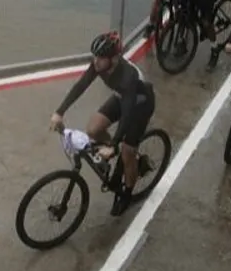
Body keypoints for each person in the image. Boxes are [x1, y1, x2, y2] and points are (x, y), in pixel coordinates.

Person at [49, 31, 156, 217]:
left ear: (114, 59)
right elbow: (81, 86)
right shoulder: (98, 66)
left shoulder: (128, 77)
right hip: (122, 97)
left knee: (127, 151)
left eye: (100, 58)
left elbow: (128, 114)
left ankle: (127, 193)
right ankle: (117, 156)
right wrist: (59, 112)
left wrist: (114, 145)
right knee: (93, 129)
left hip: (140, 104)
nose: (95, 61)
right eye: (94, 56)